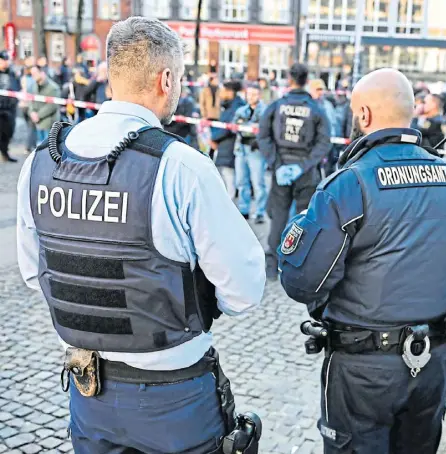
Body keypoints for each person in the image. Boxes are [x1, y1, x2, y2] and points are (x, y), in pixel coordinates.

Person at [16, 17, 265, 453]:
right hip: (174, 398)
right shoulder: (182, 167)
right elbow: (244, 290)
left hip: (89, 390)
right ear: (166, 79)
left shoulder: (39, 163)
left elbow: (37, 273)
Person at [276, 68, 446, 454]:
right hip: (433, 361)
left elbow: (301, 281)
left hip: (364, 370)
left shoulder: (348, 185)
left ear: (363, 115)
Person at [257, 63, 332, 280]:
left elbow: (263, 136)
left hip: (283, 168)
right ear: (306, 80)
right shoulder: (316, 109)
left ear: (289, 79)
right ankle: (299, 265)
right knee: (304, 220)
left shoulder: (276, 106)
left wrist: (277, 163)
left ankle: (271, 266)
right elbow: (324, 142)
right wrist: (303, 166)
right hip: (306, 172)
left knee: (278, 217)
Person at [233, 85, 268, 223]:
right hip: (241, 149)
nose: (250, 97)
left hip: (256, 150)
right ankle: (244, 210)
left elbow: (266, 129)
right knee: (241, 181)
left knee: (258, 182)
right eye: (248, 94)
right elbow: (234, 126)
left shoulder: (265, 111)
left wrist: (251, 128)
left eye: (254, 94)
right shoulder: (241, 110)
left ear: (259, 95)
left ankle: (260, 212)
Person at [211, 79, 246, 200]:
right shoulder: (228, 105)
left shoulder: (236, 107)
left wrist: (214, 138)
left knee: (229, 176)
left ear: (230, 92)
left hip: (230, 145)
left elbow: (228, 128)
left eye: (222, 90)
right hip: (224, 144)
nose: (220, 93)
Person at [29, 64, 61, 144]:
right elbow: (31, 101)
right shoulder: (34, 86)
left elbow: (52, 106)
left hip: (49, 124)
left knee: (49, 149)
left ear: (42, 73)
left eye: (35, 73)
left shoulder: (53, 88)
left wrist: (38, 115)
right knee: (39, 148)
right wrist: (32, 112)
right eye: (32, 74)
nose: (33, 76)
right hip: (38, 124)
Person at [0, 51, 20, 162]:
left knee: (9, 131)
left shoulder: (12, 73)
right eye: (3, 60)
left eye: (6, 60)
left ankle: (5, 152)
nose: (5, 62)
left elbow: (17, 87)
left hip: (10, 107)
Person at [199, 75, 221, 159]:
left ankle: (212, 153)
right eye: (216, 79)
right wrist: (204, 114)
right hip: (208, 116)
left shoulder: (219, 90)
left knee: (215, 135)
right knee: (207, 136)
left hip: (217, 116)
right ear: (211, 80)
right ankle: (206, 154)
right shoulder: (205, 90)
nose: (217, 81)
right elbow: (202, 103)